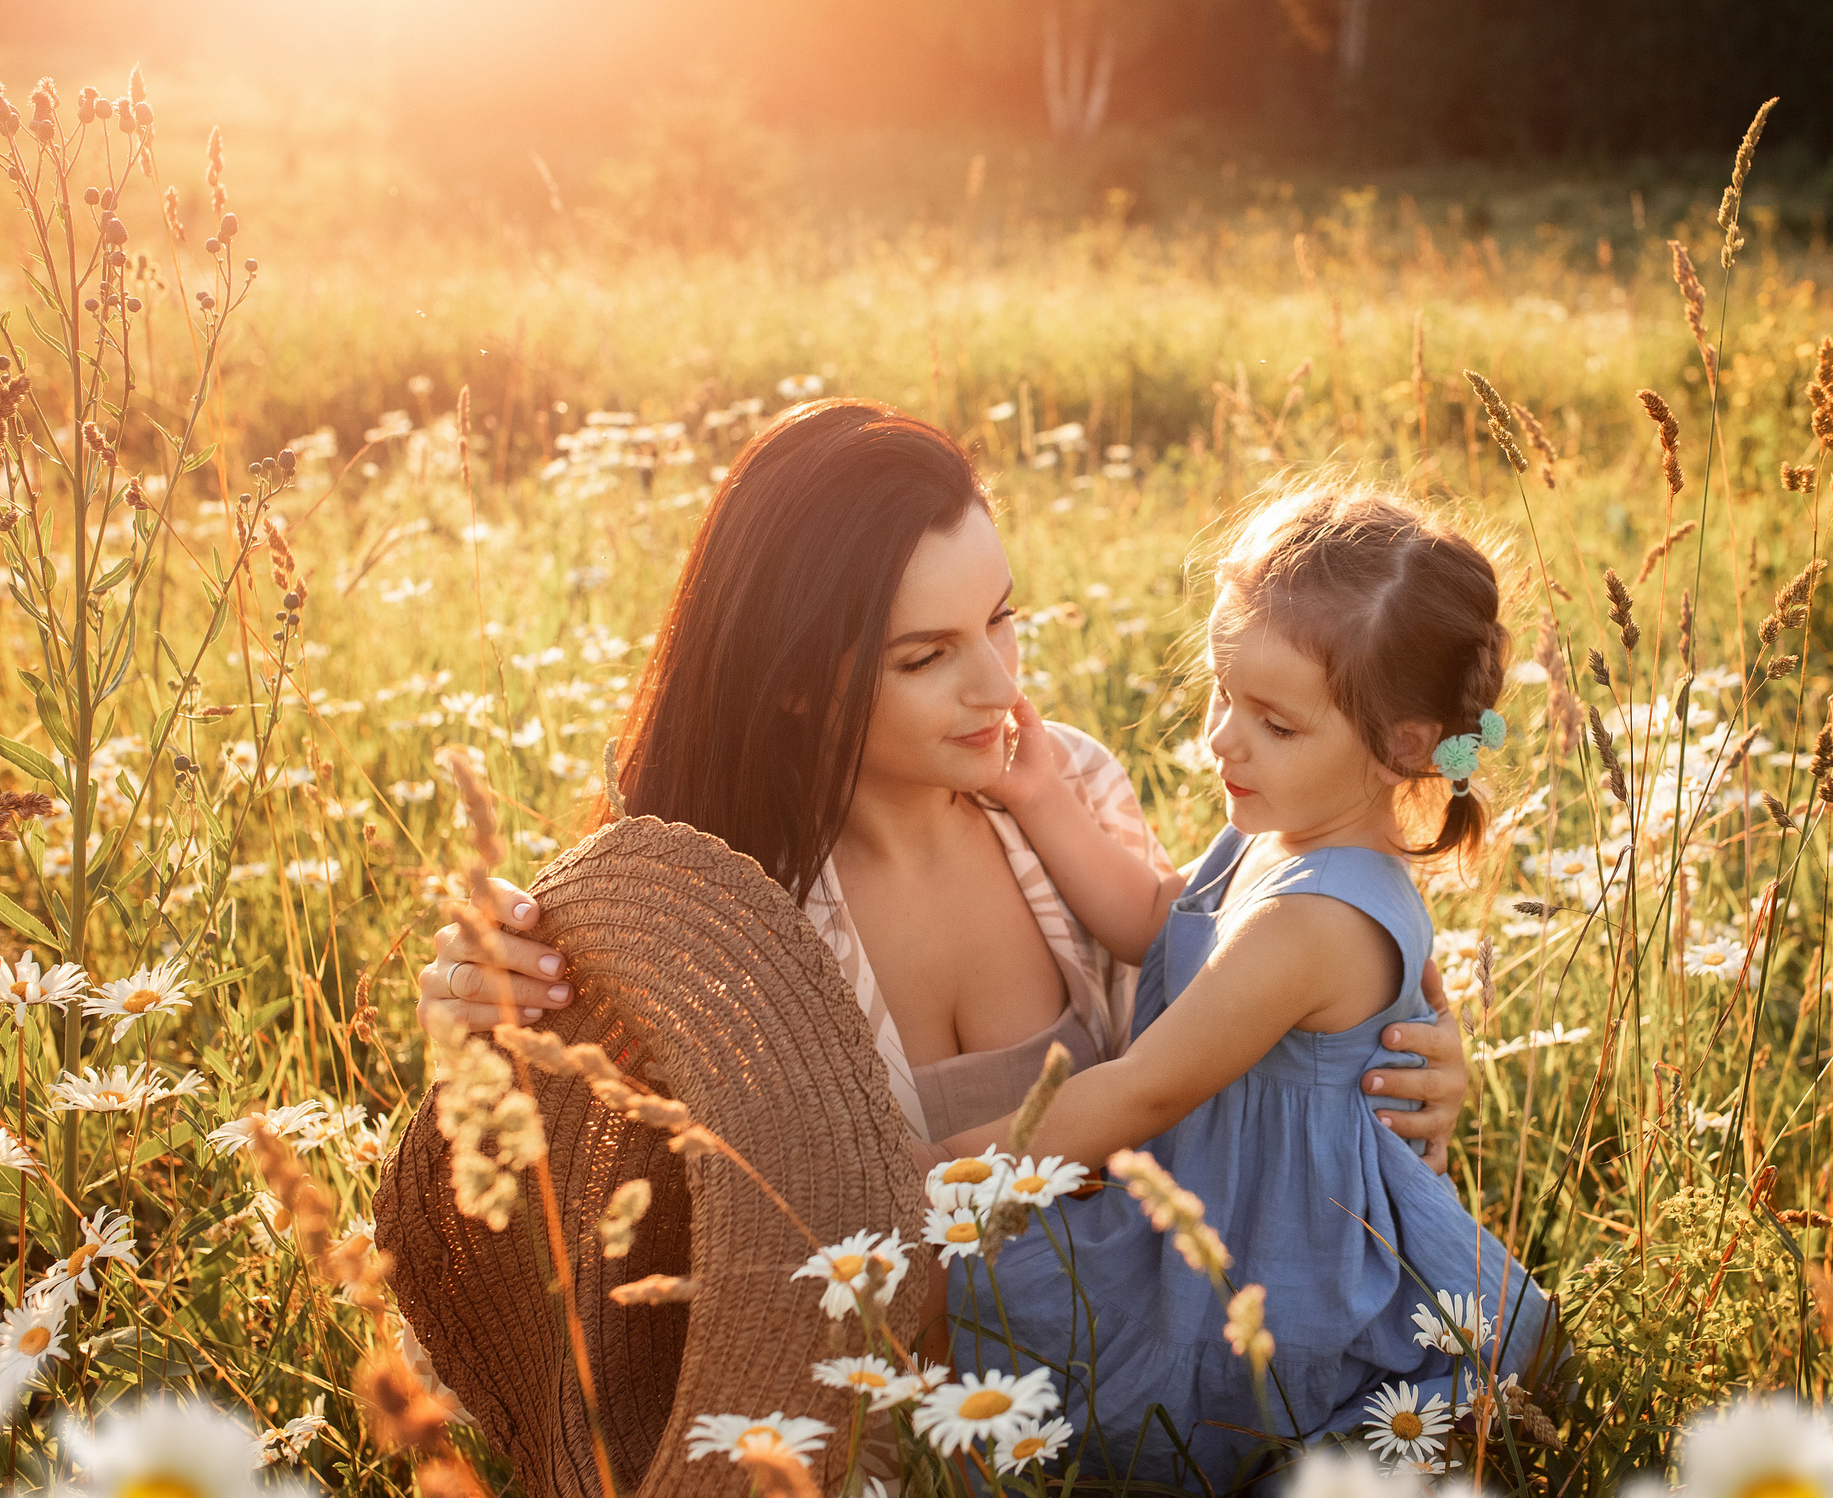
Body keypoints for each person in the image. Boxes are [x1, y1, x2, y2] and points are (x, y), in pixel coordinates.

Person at [413, 399, 1470, 1165]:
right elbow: (579, 1190)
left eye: (1000, 617)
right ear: (794, 683)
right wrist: (482, 1025)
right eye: (925, 657)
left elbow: (1226, 985)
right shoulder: (702, 915)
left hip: (1144, 1372)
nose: (1000, 687)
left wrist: (1395, 1058)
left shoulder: (1073, 788)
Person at [929, 483, 1553, 1496]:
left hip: (1267, 1262)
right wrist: (1038, 793)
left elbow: (1142, 1090)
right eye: (1223, 691)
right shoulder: (1278, 837)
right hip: (1218, 1200)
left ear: (1404, 745)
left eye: (1275, 722)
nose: (1224, 737)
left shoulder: (1316, 923)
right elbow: (1155, 919)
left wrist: (937, 1171)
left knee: (1009, 1328)